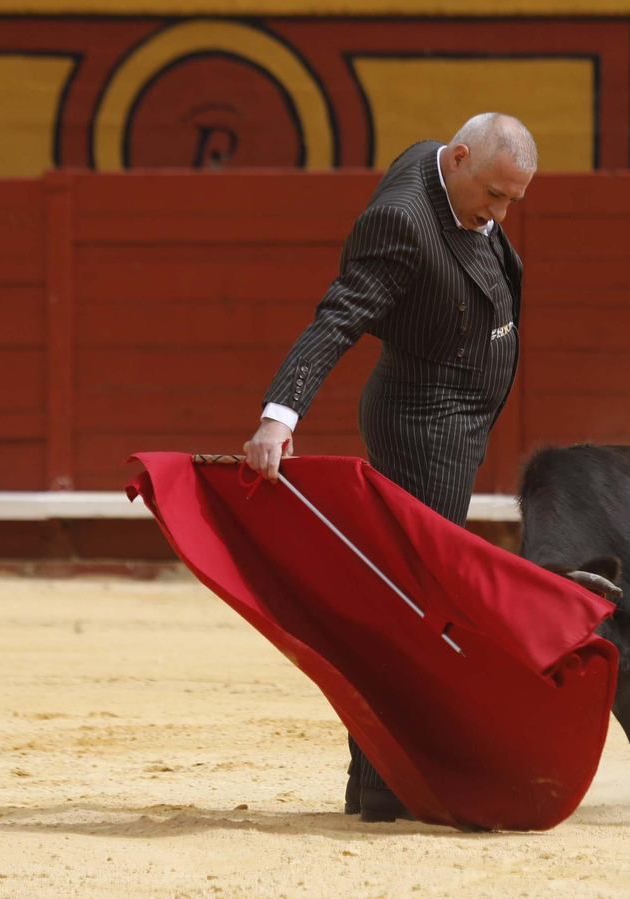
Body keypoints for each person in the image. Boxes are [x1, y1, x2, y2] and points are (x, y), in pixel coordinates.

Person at [243, 113, 537, 822]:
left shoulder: (441, 166)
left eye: (511, 201)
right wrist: (278, 417)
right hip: (427, 424)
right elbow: (339, 316)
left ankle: (376, 781)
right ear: (458, 157)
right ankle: (383, 785)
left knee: (411, 601)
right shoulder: (402, 221)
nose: (498, 216)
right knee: (413, 610)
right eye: (492, 196)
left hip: (457, 409)